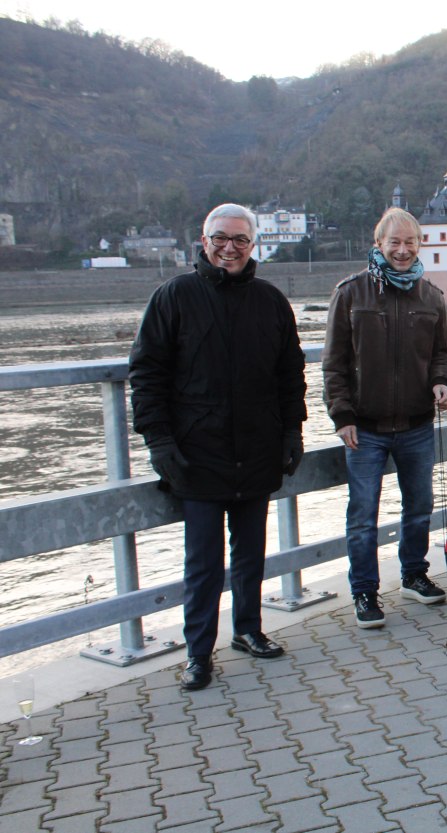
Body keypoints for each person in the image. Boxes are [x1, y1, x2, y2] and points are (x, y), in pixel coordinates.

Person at [129, 203, 307, 692]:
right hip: (196, 452)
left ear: (255, 246)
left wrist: (292, 431)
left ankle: (248, 630)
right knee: (203, 563)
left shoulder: (270, 302)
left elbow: (291, 374)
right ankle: (197, 653)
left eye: (241, 240)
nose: (230, 248)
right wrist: (159, 441)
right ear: (203, 242)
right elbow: (146, 376)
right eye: (220, 238)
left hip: (257, 448)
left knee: (251, 553)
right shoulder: (173, 297)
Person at [322, 207, 447, 630]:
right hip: (365, 427)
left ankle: (414, 575)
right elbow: (334, 363)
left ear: (420, 246)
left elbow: (441, 353)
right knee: (363, 516)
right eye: (394, 242)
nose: (402, 250)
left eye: (409, 242)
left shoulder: (432, 296)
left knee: (419, 507)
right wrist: (341, 414)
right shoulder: (350, 293)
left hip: (416, 424)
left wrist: (441, 382)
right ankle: (364, 591)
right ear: (378, 243)